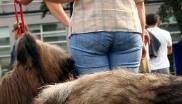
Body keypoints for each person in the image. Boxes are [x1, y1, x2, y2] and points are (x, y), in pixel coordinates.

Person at [19, 0, 148, 75]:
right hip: (129, 29)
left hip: (88, 29)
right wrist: (141, 37)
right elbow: (140, 5)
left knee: (96, 94)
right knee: (125, 93)